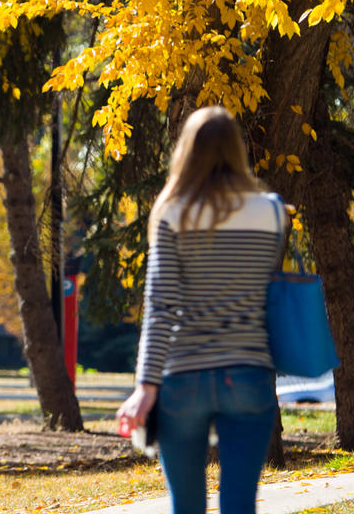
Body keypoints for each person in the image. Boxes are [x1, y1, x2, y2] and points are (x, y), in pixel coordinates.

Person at [116, 106, 286, 514]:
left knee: (187, 506)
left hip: (183, 376)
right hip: (248, 371)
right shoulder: (273, 212)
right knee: (240, 504)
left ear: (186, 152)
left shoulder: (171, 214)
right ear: (237, 149)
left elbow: (160, 306)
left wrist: (145, 386)